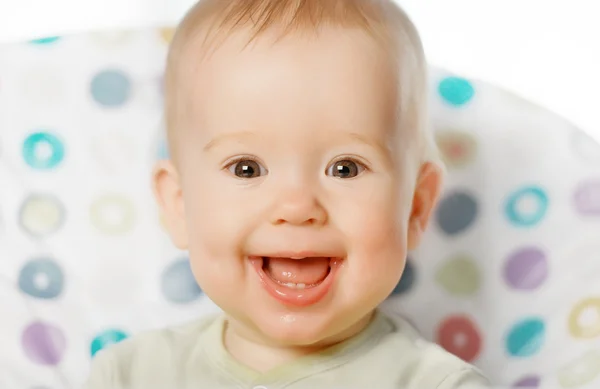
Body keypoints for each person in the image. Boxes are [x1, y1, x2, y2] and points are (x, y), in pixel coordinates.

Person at [84, 0, 490, 387]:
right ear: (179, 205)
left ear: (415, 207)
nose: (297, 207)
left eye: (345, 168)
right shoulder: (129, 375)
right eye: (247, 168)